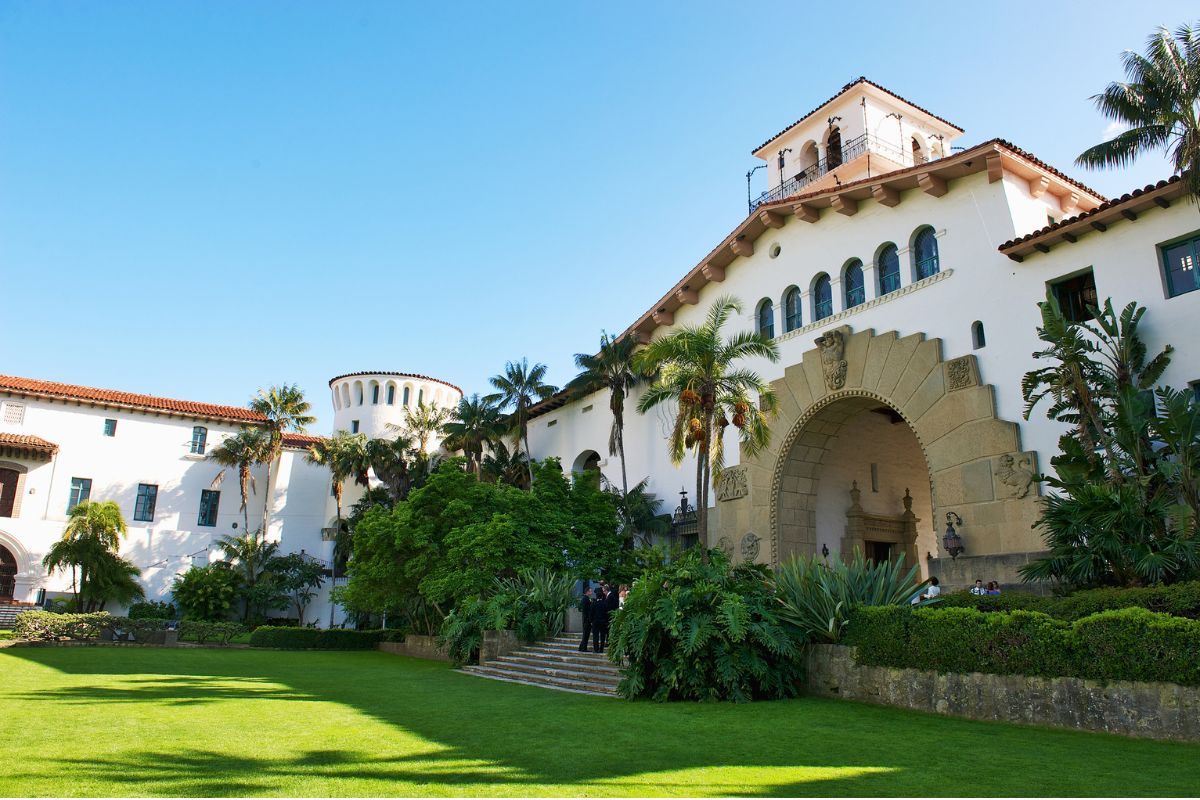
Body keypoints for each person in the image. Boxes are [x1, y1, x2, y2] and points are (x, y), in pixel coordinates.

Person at [592, 585, 610, 652]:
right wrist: (606, 620)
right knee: (602, 636)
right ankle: (601, 649)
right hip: (603, 622)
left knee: (595, 636)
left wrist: (591, 621)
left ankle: (596, 649)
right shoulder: (604, 603)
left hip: (595, 622)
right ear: (602, 596)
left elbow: (591, 613)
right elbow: (606, 613)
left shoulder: (593, 604)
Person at [578, 585, 594, 652]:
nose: (591, 592)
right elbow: (586, 610)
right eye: (590, 591)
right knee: (586, 634)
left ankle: (581, 647)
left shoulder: (585, 598)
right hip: (587, 620)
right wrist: (589, 619)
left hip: (586, 619)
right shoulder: (586, 599)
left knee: (586, 634)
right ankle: (583, 648)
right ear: (587, 592)